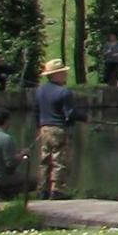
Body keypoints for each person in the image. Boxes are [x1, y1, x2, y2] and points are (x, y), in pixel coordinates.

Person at [35, 58, 85, 198]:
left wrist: (38, 127)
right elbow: (70, 114)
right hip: (59, 130)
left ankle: (42, 190)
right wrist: (85, 118)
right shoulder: (64, 92)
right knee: (60, 160)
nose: (65, 75)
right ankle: (57, 190)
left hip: (44, 129)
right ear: (56, 75)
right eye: (63, 72)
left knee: (45, 160)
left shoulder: (40, 90)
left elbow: (36, 111)